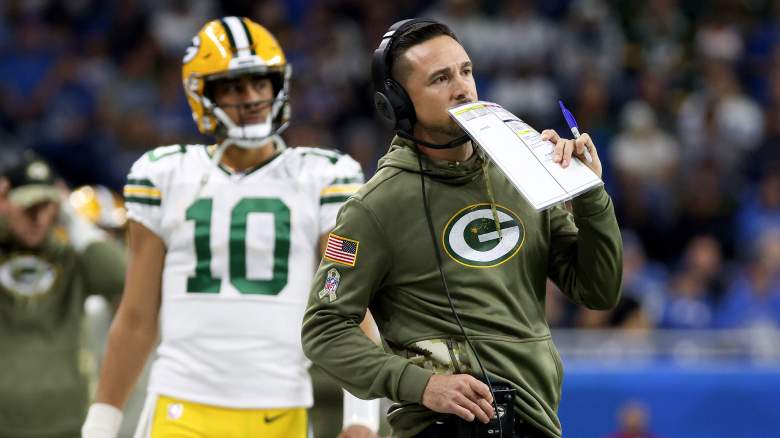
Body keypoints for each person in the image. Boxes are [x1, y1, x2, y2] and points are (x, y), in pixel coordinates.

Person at [301, 18, 623, 438]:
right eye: (440, 78)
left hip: (535, 419)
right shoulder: (373, 207)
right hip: (438, 426)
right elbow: (324, 329)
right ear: (397, 103)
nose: (463, 88)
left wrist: (588, 193)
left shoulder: (524, 171)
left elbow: (598, 290)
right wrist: (421, 385)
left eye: (465, 71)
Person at [81, 17, 379, 438]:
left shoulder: (323, 175)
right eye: (235, 87)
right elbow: (136, 318)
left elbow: (350, 305)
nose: (253, 97)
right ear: (202, 93)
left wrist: (361, 419)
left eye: (261, 83)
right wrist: (100, 423)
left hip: (281, 408)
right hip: (181, 406)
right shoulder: (166, 174)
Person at [0, 151, 127, 437]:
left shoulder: (71, 258)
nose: (37, 218)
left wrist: (71, 218)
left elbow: (124, 278)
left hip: (65, 421)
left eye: (45, 206)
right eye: (26, 207)